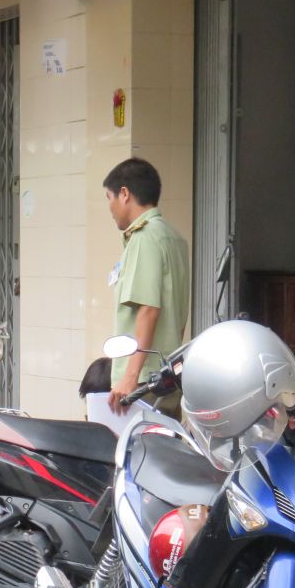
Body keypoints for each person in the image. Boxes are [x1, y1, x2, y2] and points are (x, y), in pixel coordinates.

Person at [102, 158, 191, 426]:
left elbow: (149, 309)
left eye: (109, 197)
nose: (110, 207)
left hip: (144, 382)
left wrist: (130, 376)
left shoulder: (143, 238)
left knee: (136, 456)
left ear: (125, 194)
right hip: (166, 375)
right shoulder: (173, 237)